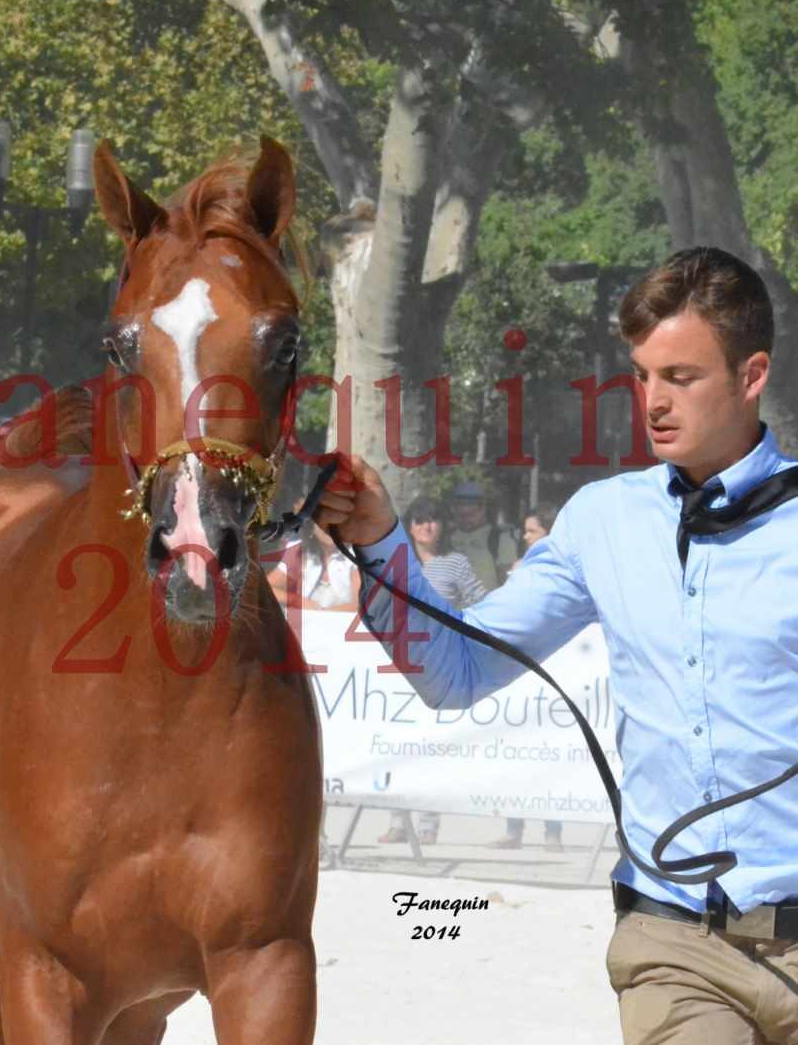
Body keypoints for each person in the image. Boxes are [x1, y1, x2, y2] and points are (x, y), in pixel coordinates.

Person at [314, 247, 798, 1044]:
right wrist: (380, 545)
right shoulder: (600, 521)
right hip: (673, 947)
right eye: (643, 375)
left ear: (751, 377)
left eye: (681, 377)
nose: (654, 402)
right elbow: (455, 672)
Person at [381, 495, 487, 845]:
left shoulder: (455, 563)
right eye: (421, 520)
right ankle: (398, 821)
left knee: (429, 749)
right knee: (397, 746)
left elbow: (480, 603)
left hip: (438, 665)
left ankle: (427, 824)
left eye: (434, 520)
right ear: (409, 527)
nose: (428, 526)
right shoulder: (397, 562)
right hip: (396, 666)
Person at [493, 501, 565, 852]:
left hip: (556, 675)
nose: (525, 536)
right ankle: (514, 828)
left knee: (552, 753)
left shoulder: (567, 571)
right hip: (520, 674)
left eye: (532, 531)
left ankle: (554, 832)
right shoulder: (519, 567)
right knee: (517, 753)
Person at [267, 501, 360, 610]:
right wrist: (296, 600)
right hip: (306, 622)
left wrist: (321, 613)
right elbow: (266, 587)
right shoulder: (299, 550)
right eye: (324, 523)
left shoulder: (357, 554)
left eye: (336, 523)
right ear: (312, 527)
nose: (331, 529)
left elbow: (360, 605)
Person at [447, 481, 517, 590]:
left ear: (483, 509)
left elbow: (509, 584)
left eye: (471, 515)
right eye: (461, 515)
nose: (466, 520)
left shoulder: (499, 539)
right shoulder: (446, 538)